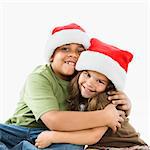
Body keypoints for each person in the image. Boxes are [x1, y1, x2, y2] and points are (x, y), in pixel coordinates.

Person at [0, 23, 129, 150]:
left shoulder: (83, 81)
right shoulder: (39, 77)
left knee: (72, 146)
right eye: (65, 49)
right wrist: (104, 117)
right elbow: (53, 121)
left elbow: (104, 102)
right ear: (51, 56)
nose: (73, 54)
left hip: (54, 137)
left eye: (79, 51)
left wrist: (125, 106)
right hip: (19, 130)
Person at [35, 38, 149, 150]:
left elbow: (93, 135)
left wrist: (53, 137)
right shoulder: (76, 92)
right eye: (87, 75)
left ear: (108, 86)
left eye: (100, 81)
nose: (89, 83)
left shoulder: (108, 99)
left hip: (127, 146)